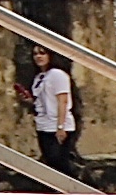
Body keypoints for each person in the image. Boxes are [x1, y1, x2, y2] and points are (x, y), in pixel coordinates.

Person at [25, 42, 81, 177]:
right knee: (50, 160)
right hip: (43, 124)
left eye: (42, 53)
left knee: (60, 161)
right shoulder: (39, 77)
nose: (38, 57)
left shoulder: (57, 75)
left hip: (57, 125)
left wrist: (60, 126)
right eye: (35, 54)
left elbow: (63, 101)